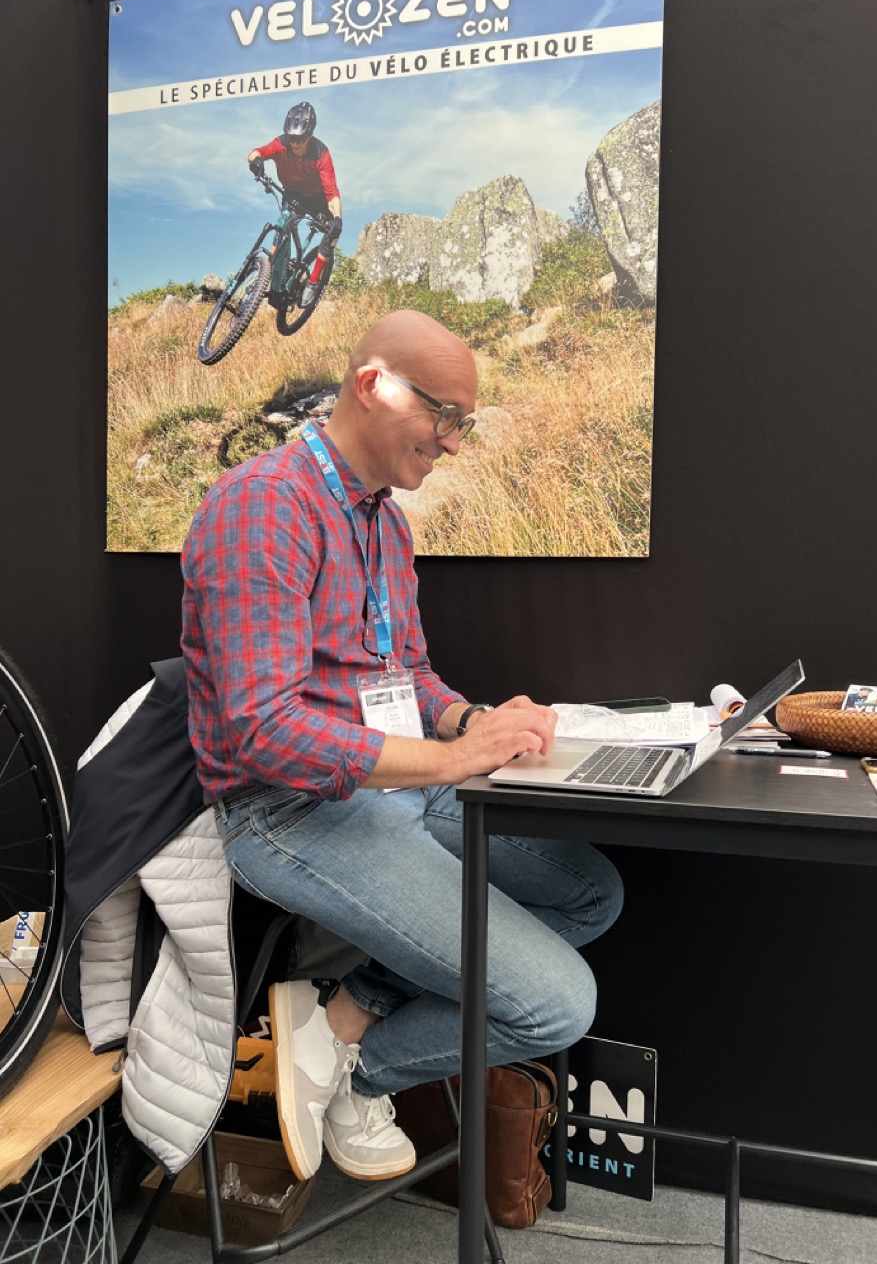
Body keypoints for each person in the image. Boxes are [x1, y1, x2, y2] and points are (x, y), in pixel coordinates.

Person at [181, 310, 624, 1185]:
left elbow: (409, 676)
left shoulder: (385, 525)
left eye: (465, 421)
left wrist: (474, 724)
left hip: (397, 783)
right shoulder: (262, 506)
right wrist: (454, 760)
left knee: (588, 894)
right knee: (560, 1005)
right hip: (289, 812)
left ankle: (343, 1021)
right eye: (445, 415)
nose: (455, 443)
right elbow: (264, 731)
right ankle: (358, 1074)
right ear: (372, 385)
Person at [248, 101, 343, 308]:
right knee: (283, 224)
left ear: (309, 136)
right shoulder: (281, 144)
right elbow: (256, 152)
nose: (295, 143)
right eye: (291, 137)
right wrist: (256, 163)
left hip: (318, 198)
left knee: (332, 233)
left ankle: (313, 280)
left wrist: (336, 218)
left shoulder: (321, 153)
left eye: (300, 139)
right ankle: (268, 274)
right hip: (293, 194)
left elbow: (331, 191)